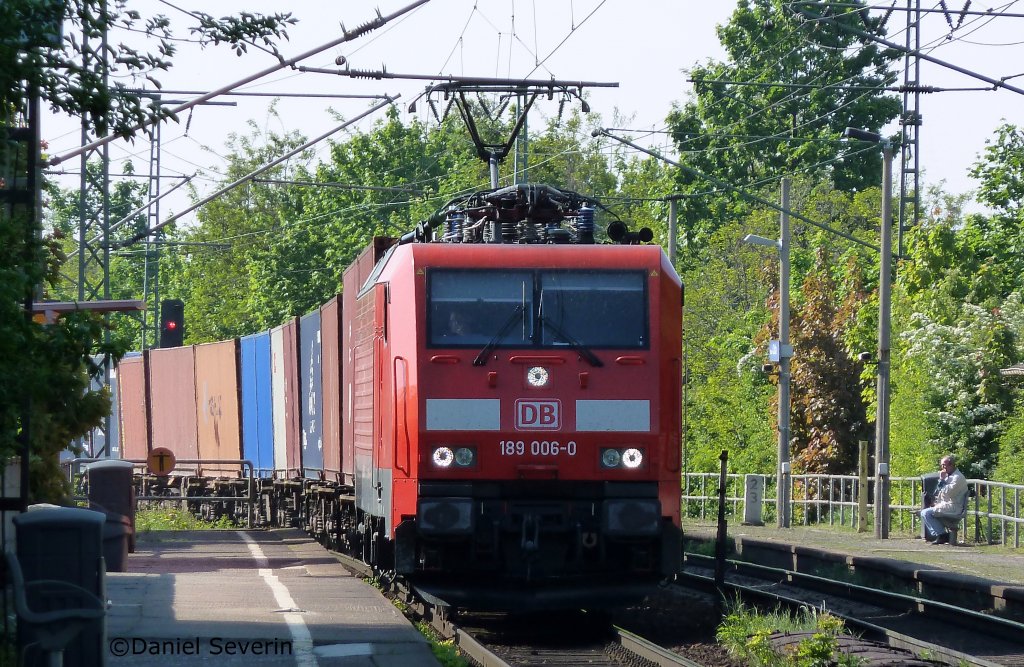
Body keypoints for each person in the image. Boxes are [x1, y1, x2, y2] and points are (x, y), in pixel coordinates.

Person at [920, 455, 969, 545]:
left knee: (926, 513)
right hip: (947, 505)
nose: (942, 468)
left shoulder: (957, 477)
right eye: (942, 465)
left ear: (951, 465)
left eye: (944, 465)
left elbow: (948, 492)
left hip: (954, 506)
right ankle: (942, 535)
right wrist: (936, 502)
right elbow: (938, 491)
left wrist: (942, 480)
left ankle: (942, 535)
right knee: (925, 512)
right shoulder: (948, 476)